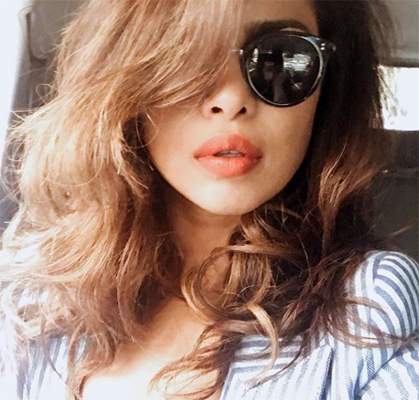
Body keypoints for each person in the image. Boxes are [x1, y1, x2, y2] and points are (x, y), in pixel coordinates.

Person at [0, 0, 418, 399]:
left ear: (326, 94)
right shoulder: (33, 291)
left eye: (281, 59)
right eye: (188, 56)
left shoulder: (366, 304)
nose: (231, 100)